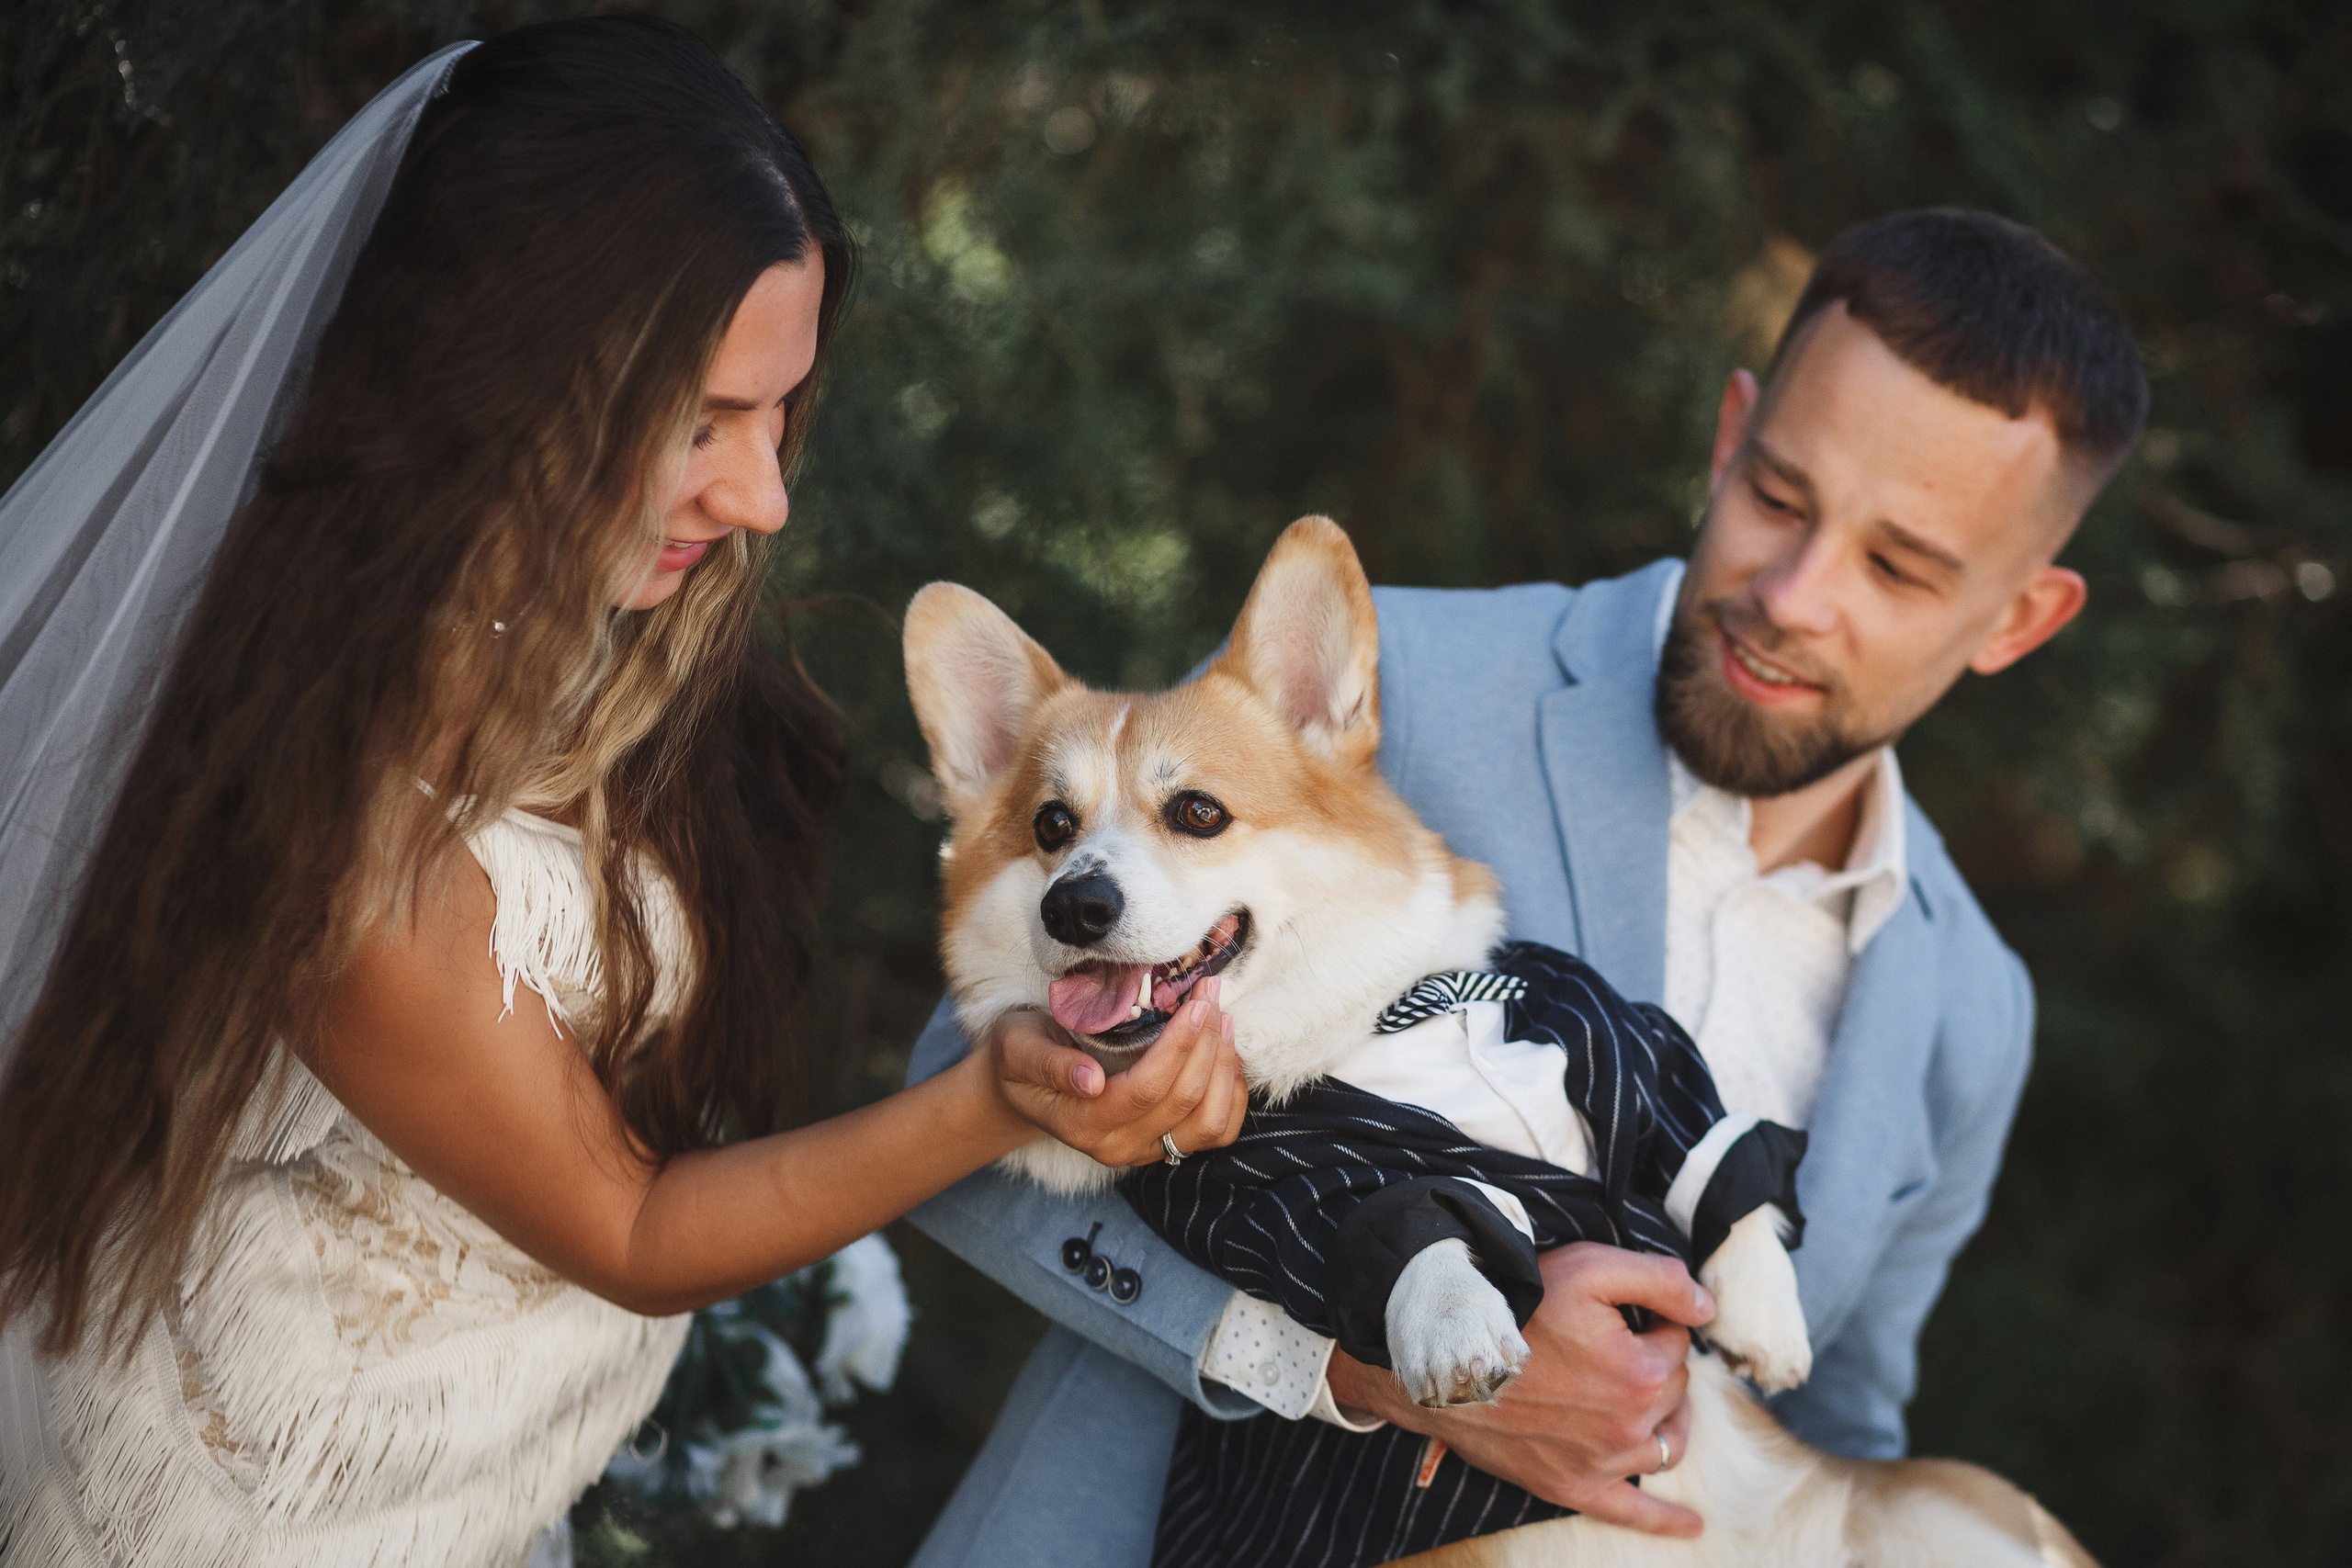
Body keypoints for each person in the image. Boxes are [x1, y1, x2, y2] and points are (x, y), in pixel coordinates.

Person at [0, 19, 1242, 1568]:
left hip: (465, 1485)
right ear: (496, 379)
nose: (764, 496)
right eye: (701, 424)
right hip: (254, 1512)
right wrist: (995, 1097)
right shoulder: (336, 810)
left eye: (780, 412)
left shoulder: (598, 637)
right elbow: (634, 1230)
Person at [903, 207, 2147, 1564]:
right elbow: (957, 1131)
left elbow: (1835, 1421)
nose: (1795, 592)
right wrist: (1346, 1364)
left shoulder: (1971, 1006)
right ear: (1729, 439)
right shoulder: (1374, 696)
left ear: (2021, 619)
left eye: (1897, 566)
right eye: (1778, 498)